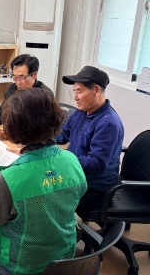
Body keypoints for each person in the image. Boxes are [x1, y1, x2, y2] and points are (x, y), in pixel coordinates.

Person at [0, 86, 88, 275]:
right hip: (63, 259)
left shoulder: (11, 177)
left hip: (22, 265)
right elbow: (75, 192)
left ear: (14, 128)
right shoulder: (72, 160)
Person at [55, 65, 124, 220]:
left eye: (79, 91)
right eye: (75, 91)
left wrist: (61, 159)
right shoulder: (82, 112)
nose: (75, 97)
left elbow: (96, 164)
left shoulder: (108, 124)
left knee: (44, 193)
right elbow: (64, 134)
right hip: (76, 175)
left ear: (97, 90)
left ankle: (62, 232)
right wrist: (40, 140)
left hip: (94, 187)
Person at [0, 53, 53, 133]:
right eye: (15, 77)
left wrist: (12, 134)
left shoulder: (44, 95)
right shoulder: (12, 89)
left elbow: (42, 128)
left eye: (22, 78)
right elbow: (1, 113)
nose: (18, 83)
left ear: (34, 75)